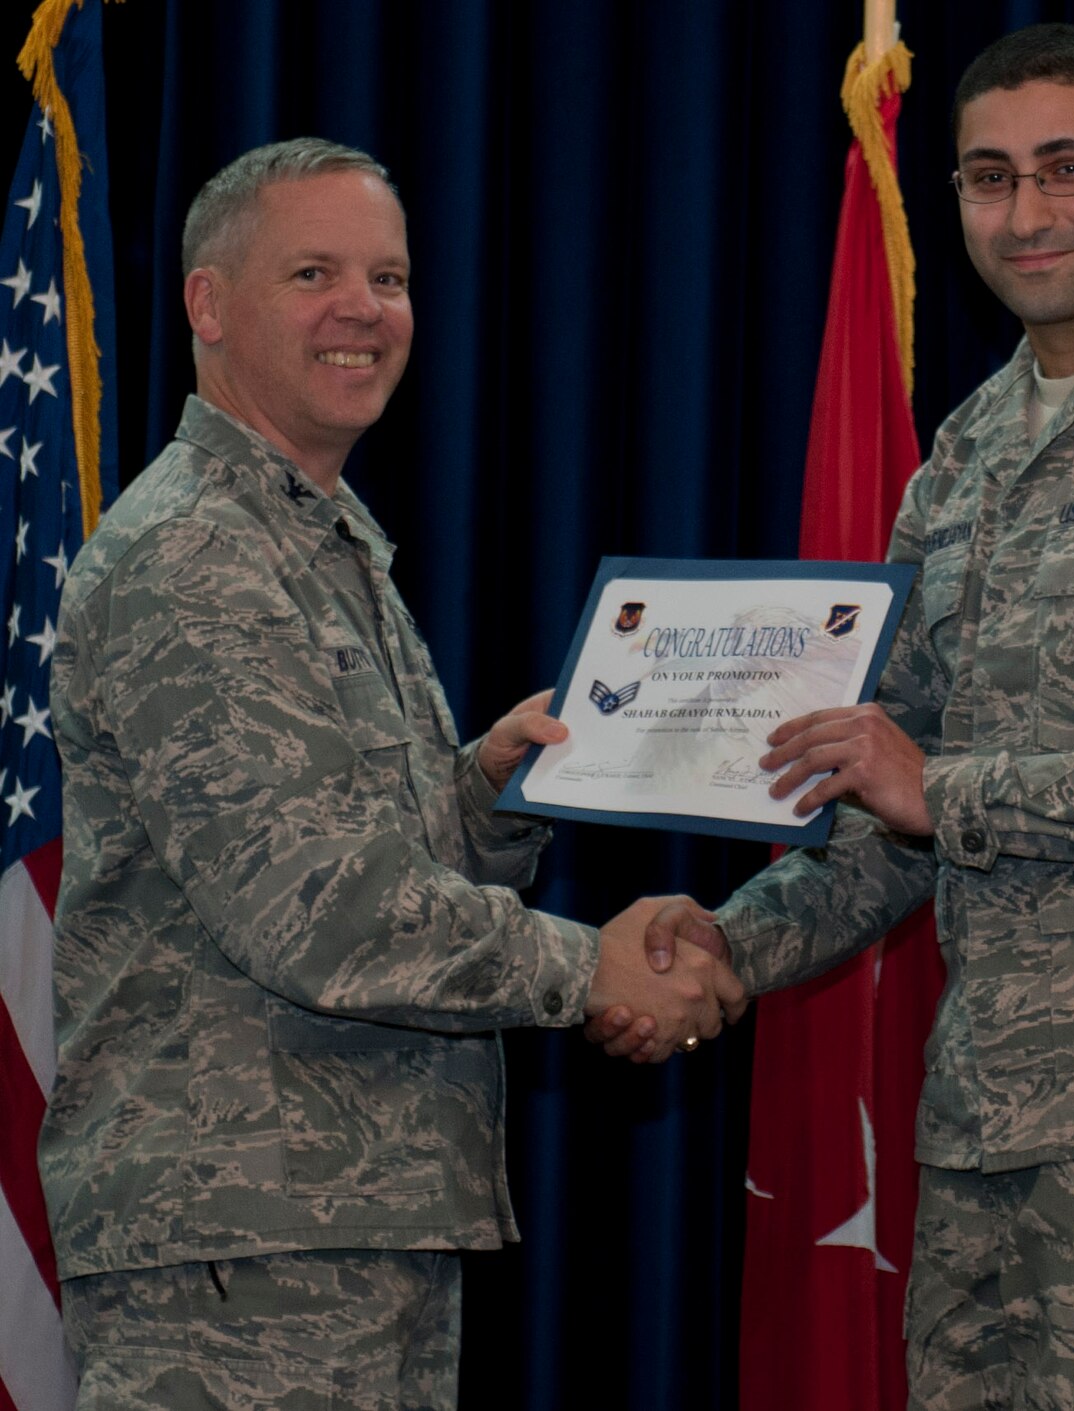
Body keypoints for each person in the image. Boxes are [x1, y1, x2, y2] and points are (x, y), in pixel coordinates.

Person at [592, 22, 1074, 1410]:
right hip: (977, 1140)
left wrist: (942, 791)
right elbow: (878, 811)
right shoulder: (961, 459)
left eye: (1067, 168)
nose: (1027, 212)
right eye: (988, 177)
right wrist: (731, 946)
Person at [42, 139, 744, 1409]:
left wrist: (480, 794)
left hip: (350, 1220)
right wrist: (590, 964)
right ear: (208, 304)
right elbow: (320, 911)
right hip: (244, 1245)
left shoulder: (321, 537)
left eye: (390, 275)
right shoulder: (195, 557)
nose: (363, 309)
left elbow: (361, 864)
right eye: (313, 271)